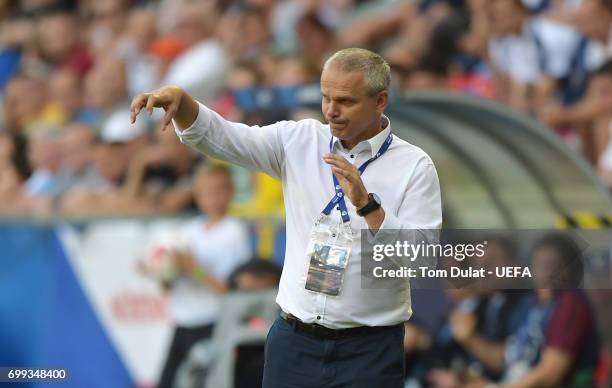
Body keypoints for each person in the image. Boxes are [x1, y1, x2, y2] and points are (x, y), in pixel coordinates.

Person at [131, 47, 442, 388]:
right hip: (294, 343)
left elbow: (421, 261)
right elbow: (228, 139)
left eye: (345, 101)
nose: (331, 111)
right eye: (325, 97)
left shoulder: (414, 165)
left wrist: (368, 206)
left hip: (368, 350)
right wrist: (184, 104)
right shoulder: (300, 139)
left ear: (380, 100)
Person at [156, 163, 251, 388]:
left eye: (218, 190)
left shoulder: (234, 232)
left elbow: (231, 291)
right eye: (206, 191)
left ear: (230, 192)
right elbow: (167, 284)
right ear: (197, 195)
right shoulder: (187, 230)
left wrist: (193, 268)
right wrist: (162, 270)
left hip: (212, 322)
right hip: (183, 321)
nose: (212, 197)